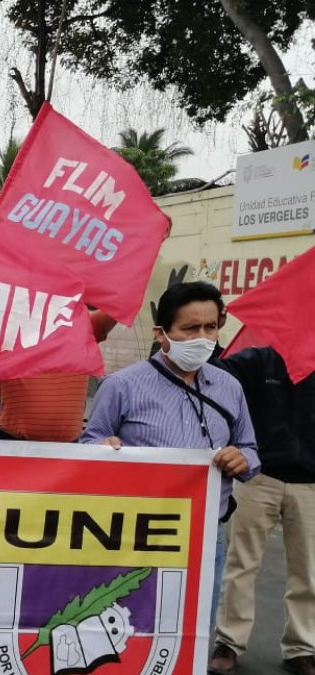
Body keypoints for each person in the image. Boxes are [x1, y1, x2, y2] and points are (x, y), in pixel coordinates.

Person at [80, 282, 259, 632]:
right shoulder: (121, 386)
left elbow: (250, 450)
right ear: (161, 332)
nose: (203, 337)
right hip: (136, 534)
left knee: (192, 629)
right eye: (190, 329)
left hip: (206, 533)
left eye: (211, 327)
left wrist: (243, 460)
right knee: (131, 625)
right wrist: (103, 450)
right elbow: (89, 443)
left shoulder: (229, 388)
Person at [209, 346, 315, 675]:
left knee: (308, 572)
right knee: (241, 565)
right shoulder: (258, 360)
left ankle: (302, 647)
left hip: (311, 483)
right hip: (258, 476)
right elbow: (215, 377)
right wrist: (211, 344)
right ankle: (228, 642)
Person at [0, 309, 118, 442]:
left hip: (67, 448)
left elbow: (119, 305)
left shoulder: (81, 324)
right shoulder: (8, 324)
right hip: (14, 444)